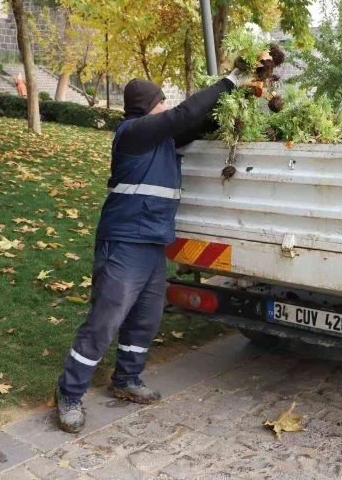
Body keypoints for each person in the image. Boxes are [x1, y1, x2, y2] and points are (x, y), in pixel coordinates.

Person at [54, 68, 252, 433]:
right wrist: (230, 80)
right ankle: (69, 394)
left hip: (151, 242)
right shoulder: (133, 133)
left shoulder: (162, 140)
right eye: (162, 101)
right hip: (124, 242)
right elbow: (184, 115)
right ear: (148, 107)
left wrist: (239, 100)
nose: (167, 106)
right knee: (105, 321)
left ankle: (126, 379)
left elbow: (197, 123)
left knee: (146, 317)